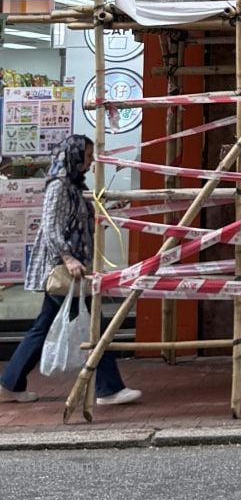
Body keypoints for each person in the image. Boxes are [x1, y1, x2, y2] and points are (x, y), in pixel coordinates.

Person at [0, 135, 140, 405]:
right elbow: (51, 225)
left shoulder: (72, 187)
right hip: (64, 271)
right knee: (94, 326)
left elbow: (75, 222)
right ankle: (109, 388)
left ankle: (11, 383)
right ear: (73, 156)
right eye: (86, 156)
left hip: (70, 270)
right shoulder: (60, 187)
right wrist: (68, 258)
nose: (89, 162)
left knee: (47, 326)